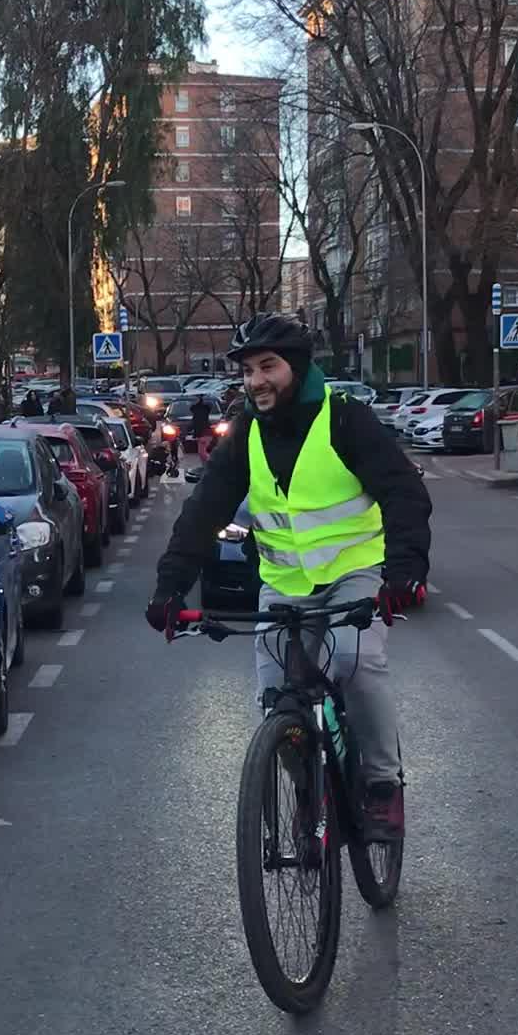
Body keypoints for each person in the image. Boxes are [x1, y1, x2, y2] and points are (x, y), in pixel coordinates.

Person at [145, 313, 431, 844]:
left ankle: (381, 784)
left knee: (355, 662)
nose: (256, 381)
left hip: (354, 572)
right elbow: (203, 513)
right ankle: (308, 793)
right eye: (248, 371)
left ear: (296, 368)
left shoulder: (344, 420)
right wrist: (169, 587)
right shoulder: (246, 433)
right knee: (277, 697)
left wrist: (405, 572)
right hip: (284, 583)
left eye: (267, 367)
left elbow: (403, 494)